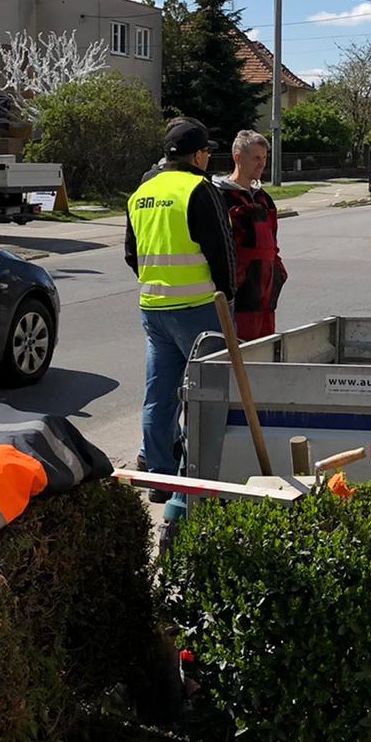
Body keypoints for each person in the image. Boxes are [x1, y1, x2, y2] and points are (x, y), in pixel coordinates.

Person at [125, 117, 236, 480]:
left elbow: (131, 254)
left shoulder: (141, 193)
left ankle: (159, 473)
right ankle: (198, 473)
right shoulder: (200, 189)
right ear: (199, 155)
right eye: (207, 152)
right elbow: (222, 251)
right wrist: (228, 296)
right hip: (199, 307)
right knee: (207, 394)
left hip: (154, 306)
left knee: (160, 394)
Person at [213, 129, 287, 341]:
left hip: (265, 293)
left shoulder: (264, 199)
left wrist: (278, 274)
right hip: (240, 295)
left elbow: (274, 243)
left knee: (264, 352)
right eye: (256, 158)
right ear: (237, 158)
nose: (262, 164)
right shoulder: (222, 198)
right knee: (240, 353)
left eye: (264, 158)